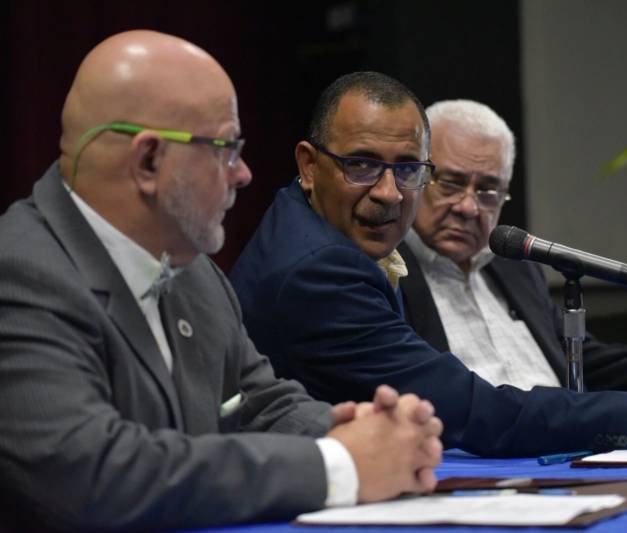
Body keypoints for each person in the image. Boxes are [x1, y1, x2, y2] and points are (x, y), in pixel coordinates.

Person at [230, 71, 627, 460]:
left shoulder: (330, 236)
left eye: (408, 170)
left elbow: (575, 361)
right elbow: (475, 411)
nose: (387, 193)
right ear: (308, 165)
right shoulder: (320, 270)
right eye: (360, 165)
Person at [0, 32, 442, 531]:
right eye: (226, 149)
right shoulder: (20, 273)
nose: (244, 174)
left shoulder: (194, 271)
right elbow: (90, 474)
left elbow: (259, 403)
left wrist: (367, 433)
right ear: (148, 161)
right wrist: (339, 466)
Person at [401, 98, 627, 396]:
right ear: (416, 177)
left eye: (487, 190)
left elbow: (583, 360)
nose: (468, 207)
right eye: (449, 183)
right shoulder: (389, 273)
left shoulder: (513, 265)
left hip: (568, 445)